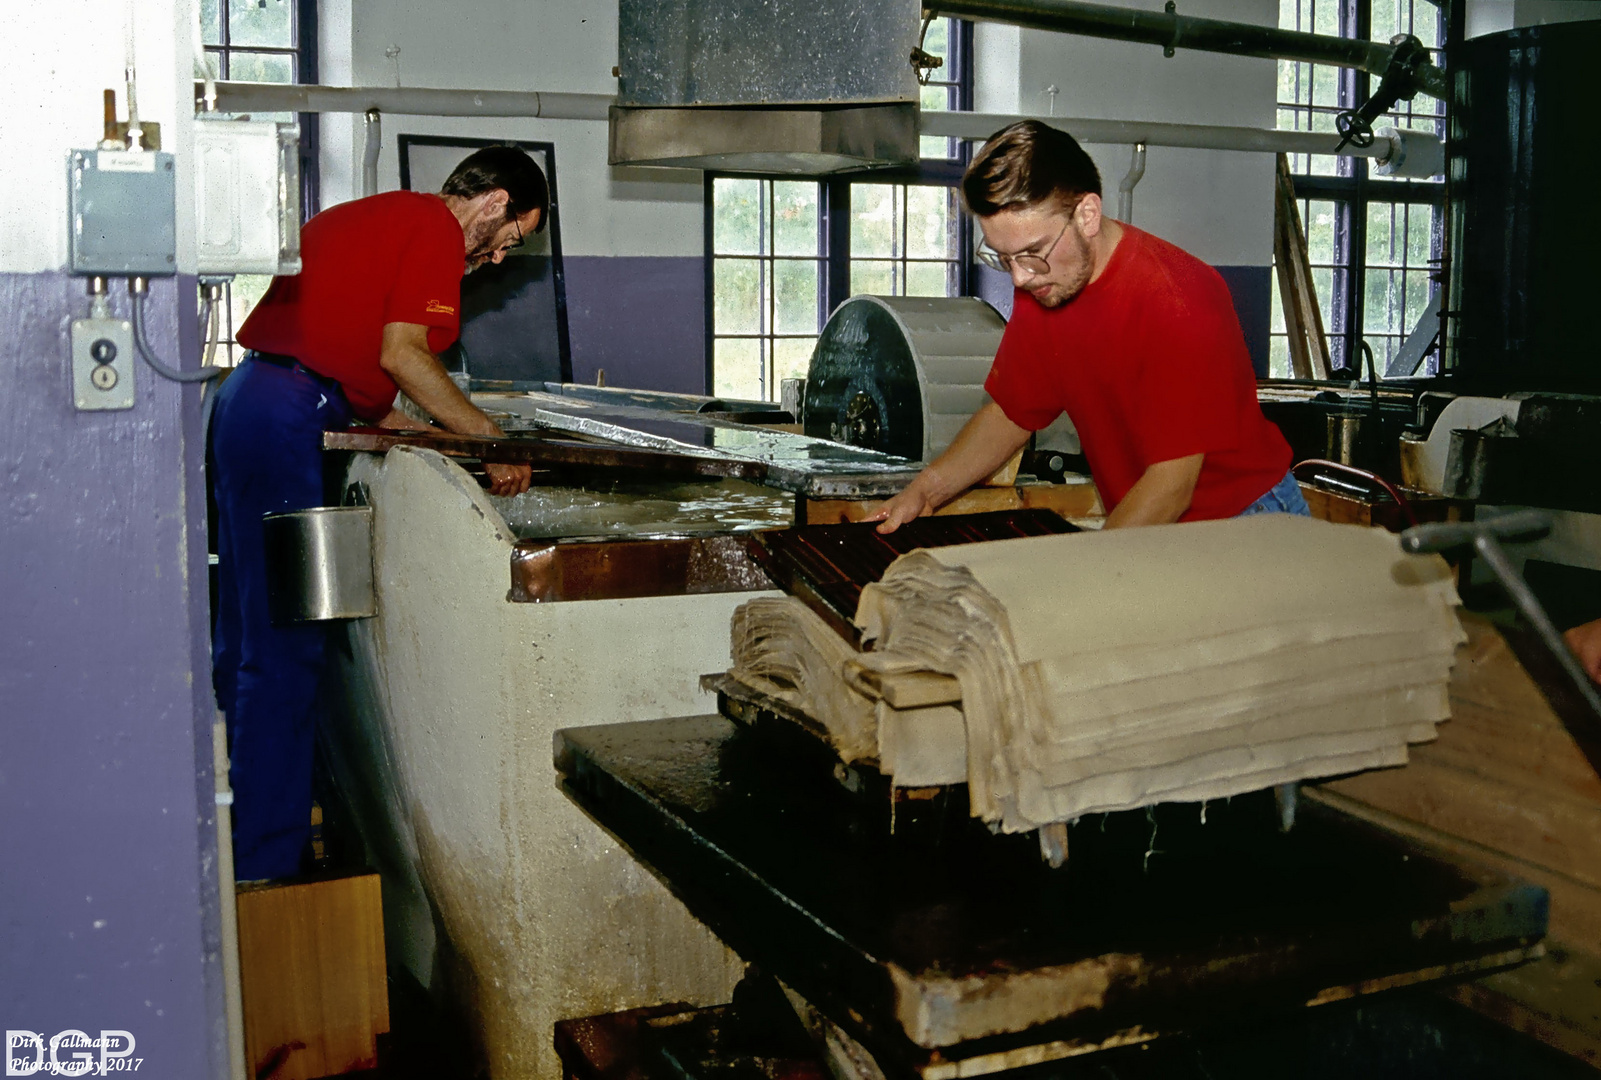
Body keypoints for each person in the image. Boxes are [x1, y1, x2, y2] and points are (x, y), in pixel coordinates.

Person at [210, 145, 542, 880]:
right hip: (286, 414)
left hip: (254, 402)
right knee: (285, 646)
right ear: (491, 205)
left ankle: (237, 838)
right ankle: (268, 871)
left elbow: (354, 356)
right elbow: (404, 355)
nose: (496, 260)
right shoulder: (432, 228)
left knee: (244, 635)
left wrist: (401, 423)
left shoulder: (384, 216)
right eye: (510, 239)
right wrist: (493, 442)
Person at [872, 121, 1304, 533]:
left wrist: (1088, 571)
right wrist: (926, 491)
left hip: (1246, 519)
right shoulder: (1046, 283)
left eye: (1031, 253)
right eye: (1003, 259)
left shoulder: (1177, 300)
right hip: (1158, 522)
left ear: (1088, 214)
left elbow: (1172, 486)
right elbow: (1012, 413)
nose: (1019, 278)